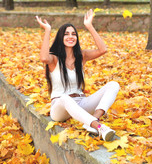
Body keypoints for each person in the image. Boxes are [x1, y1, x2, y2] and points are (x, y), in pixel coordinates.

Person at [36, 9, 120, 141]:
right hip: (60, 107)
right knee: (64, 98)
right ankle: (99, 127)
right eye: (66, 34)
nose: (70, 36)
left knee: (113, 85)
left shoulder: (82, 56)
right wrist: (47, 30)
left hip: (81, 103)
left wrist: (89, 26)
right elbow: (43, 58)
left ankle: (94, 120)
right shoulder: (54, 59)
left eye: (73, 34)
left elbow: (103, 49)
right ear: (60, 38)